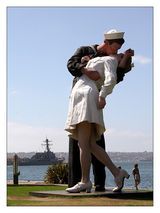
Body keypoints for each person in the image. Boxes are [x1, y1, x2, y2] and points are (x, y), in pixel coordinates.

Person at [67, 29, 133, 191]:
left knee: (84, 144)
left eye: (119, 52)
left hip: (87, 98)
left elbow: (112, 79)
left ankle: (86, 181)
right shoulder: (87, 52)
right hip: (81, 98)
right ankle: (116, 173)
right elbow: (71, 64)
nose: (117, 53)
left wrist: (102, 95)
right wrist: (85, 65)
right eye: (116, 49)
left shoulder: (110, 60)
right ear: (107, 43)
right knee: (90, 143)